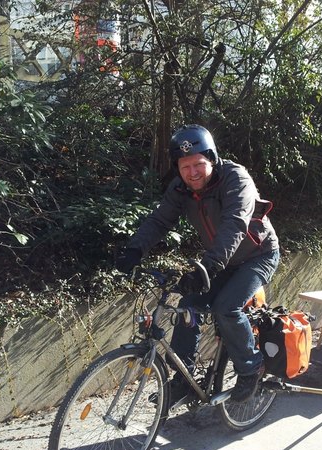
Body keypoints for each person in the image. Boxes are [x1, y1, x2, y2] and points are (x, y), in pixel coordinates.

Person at [115, 124, 280, 403]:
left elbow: (235, 224)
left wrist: (209, 266)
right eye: (184, 166)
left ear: (212, 159)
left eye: (198, 164)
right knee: (188, 307)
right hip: (223, 260)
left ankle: (251, 367)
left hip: (257, 255)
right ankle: (184, 380)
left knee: (226, 308)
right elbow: (160, 220)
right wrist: (133, 250)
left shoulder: (236, 179)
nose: (192, 172)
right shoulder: (180, 188)